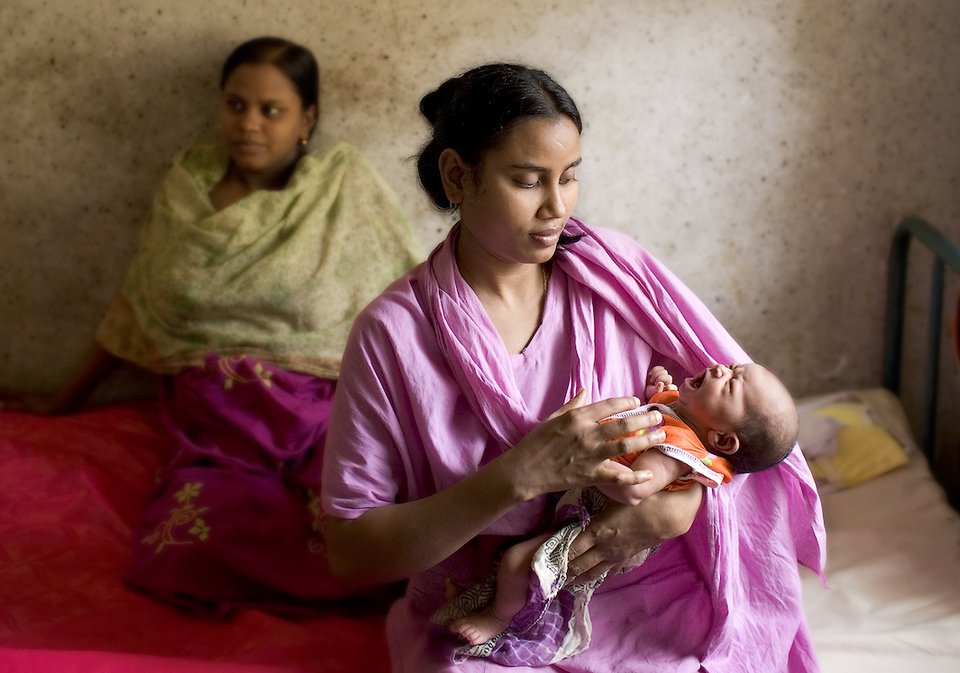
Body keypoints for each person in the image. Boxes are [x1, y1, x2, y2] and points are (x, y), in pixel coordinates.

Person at [320, 62, 825, 672]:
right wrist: (517, 475)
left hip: (646, 596)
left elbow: (746, 434)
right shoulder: (393, 335)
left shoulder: (619, 277)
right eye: (527, 181)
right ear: (458, 175)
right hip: (489, 613)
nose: (557, 207)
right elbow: (351, 552)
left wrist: (679, 506)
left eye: (569, 177)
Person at [0, 37, 423, 614]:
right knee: (192, 538)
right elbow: (137, 306)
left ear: (307, 120)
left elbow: (407, 303)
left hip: (320, 405)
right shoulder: (187, 188)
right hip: (218, 416)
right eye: (236, 105)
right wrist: (61, 401)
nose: (248, 123)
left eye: (271, 110)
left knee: (368, 516)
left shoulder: (339, 189)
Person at [443, 362, 800, 652]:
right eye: (732, 367)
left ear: (721, 439)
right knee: (503, 543)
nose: (721, 369)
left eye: (731, 384)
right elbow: (657, 406)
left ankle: (498, 619)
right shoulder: (681, 413)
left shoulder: (678, 451)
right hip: (578, 503)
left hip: (592, 520)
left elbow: (635, 487)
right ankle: (482, 597)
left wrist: (580, 466)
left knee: (517, 561)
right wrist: (659, 385)